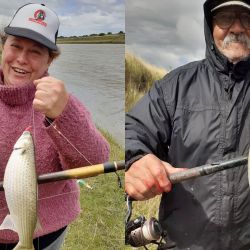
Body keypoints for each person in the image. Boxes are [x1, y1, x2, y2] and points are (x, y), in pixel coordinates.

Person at [125, 0, 250, 249]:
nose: (237, 27)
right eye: (225, 18)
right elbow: (134, 130)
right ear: (210, 25)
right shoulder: (175, 86)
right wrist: (136, 160)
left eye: (246, 18)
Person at [0, 3, 109, 250]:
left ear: (51, 59)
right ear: (3, 45)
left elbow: (92, 163)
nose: (21, 59)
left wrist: (64, 114)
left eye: (36, 51)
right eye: (15, 45)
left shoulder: (63, 103)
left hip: (45, 234)